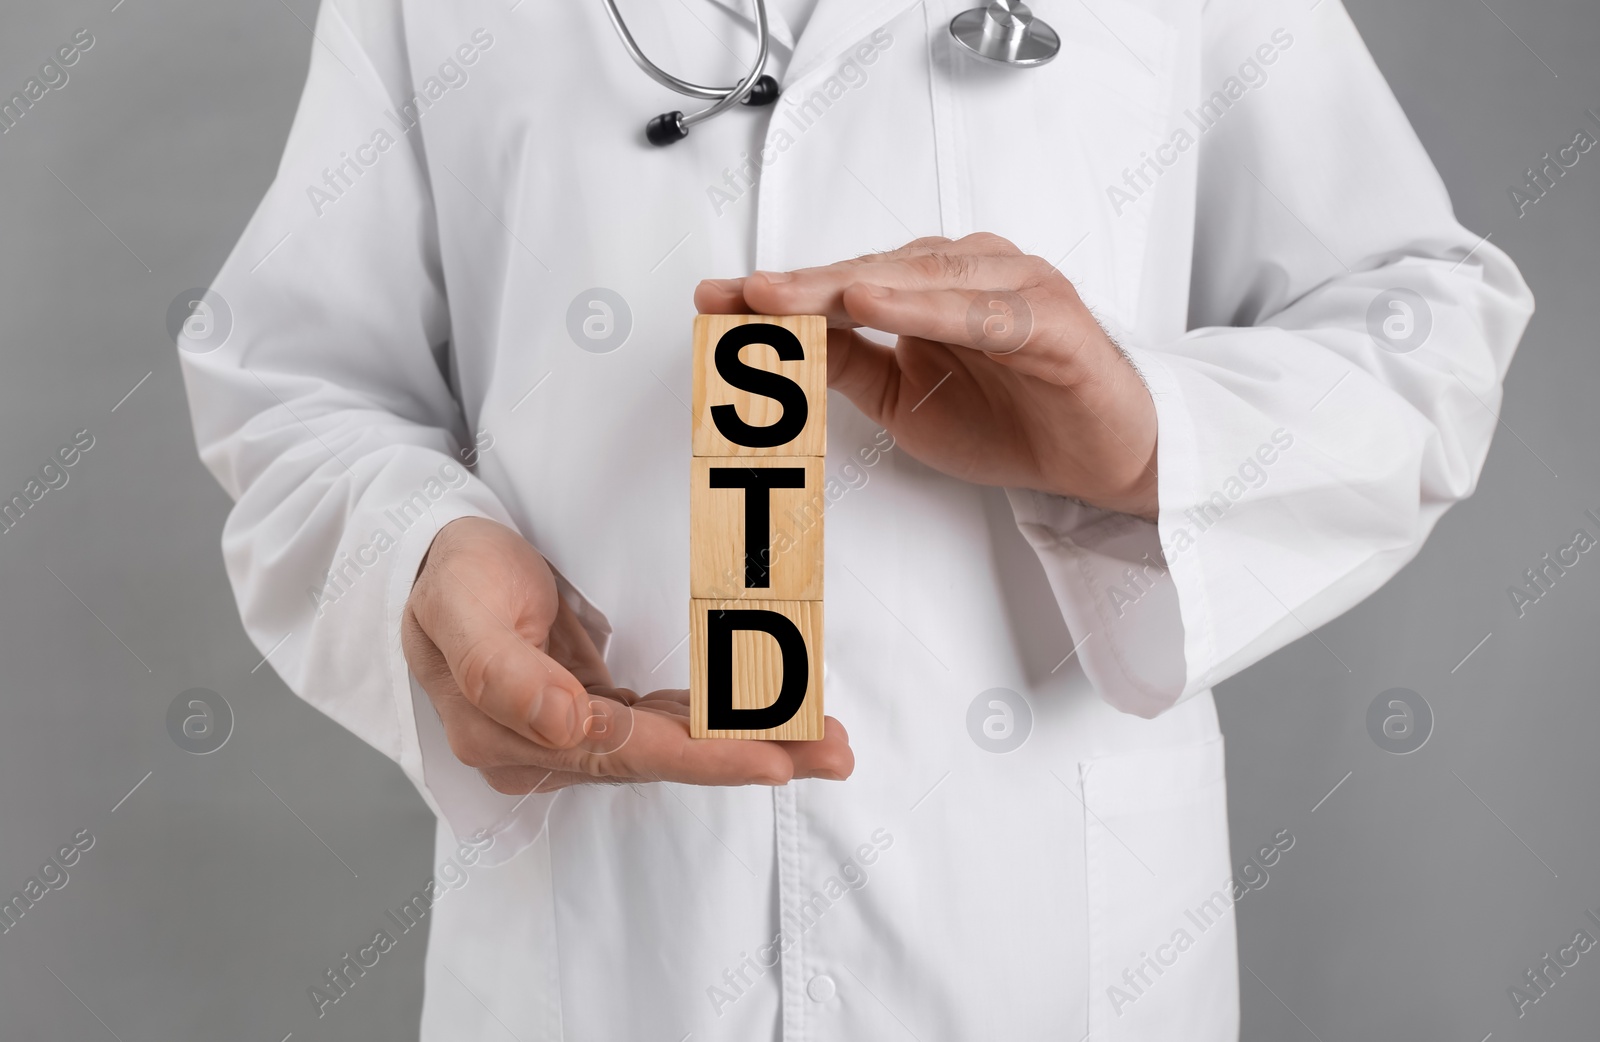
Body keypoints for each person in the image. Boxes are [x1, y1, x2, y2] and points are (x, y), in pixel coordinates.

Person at [178, 0, 1532, 1037]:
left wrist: (1147, 436)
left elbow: (1426, 330)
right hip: (599, 959)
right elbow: (293, 375)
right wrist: (418, 551)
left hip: (1044, 954)